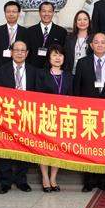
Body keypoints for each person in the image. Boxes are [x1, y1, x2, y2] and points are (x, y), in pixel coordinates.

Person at [73, 32, 105, 192]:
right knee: (88, 146)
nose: (100, 45)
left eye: (103, 42)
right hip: (88, 112)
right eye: (96, 42)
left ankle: (103, 180)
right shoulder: (82, 63)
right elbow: (77, 88)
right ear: (91, 45)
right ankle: (88, 180)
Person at [0, 40, 38, 194]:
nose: (19, 53)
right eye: (16, 50)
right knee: (5, 147)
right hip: (7, 115)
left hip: (26, 115)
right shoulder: (1, 70)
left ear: (27, 53)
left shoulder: (34, 71)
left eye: (22, 50)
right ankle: (5, 181)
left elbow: (38, 95)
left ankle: (21, 180)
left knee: (24, 147)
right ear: (11, 52)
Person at [34, 44, 71, 192]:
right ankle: (45, 177)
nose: (57, 58)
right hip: (46, 115)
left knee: (58, 148)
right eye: (54, 55)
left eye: (60, 55)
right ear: (49, 57)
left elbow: (72, 97)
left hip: (63, 117)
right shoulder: (41, 74)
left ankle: (53, 178)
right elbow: (37, 95)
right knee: (44, 147)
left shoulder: (69, 76)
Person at [25, 1, 68, 69]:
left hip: (52, 70)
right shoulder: (30, 31)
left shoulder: (61, 32)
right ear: (39, 13)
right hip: (33, 69)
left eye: (49, 11)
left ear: (53, 13)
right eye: (44, 11)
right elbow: (26, 52)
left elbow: (63, 53)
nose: (46, 14)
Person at [0, 1, 27, 66]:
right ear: (5, 13)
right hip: (0, 66)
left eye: (14, 12)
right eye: (8, 12)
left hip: (19, 66)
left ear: (18, 13)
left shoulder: (25, 31)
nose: (11, 14)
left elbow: (27, 52)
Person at [64, 10, 93, 76]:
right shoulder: (69, 38)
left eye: (85, 19)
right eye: (79, 19)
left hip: (87, 74)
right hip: (71, 74)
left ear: (89, 21)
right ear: (75, 22)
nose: (82, 22)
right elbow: (66, 57)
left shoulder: (94, 38)